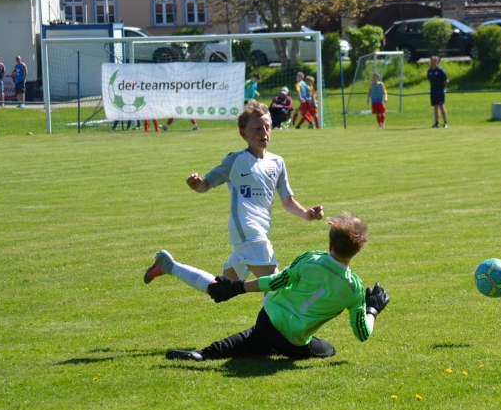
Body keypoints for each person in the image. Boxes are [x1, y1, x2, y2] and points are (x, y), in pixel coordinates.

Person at [152, 213, 389, 362]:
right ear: (358, 250)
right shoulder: (355, 289)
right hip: (293, 342)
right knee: (328, 350)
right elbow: (362, 333)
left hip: (269, 319)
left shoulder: (310, 260)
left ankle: (204, 354)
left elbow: (275, 282)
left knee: (253, 339)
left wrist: (237, 287)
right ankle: (209, 353)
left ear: (329, 243)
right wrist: (373, 309)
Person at [152, 99, 322, 287]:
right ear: (243, 133)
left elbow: (288, 201)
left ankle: (168, 266)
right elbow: (206, 184)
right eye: (257, 128)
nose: (263, 132)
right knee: (276, 286)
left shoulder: (277, 162)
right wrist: (196, 185)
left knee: (221, 289)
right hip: (247, 230)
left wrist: (307, 214)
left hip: (259, 230)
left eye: (267, 127)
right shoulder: (235, 160)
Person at [427, 56, 449, 128]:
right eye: (432, 61)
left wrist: (444, 88)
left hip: (440, 90)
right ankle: (437, 122)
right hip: (433, 90)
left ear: (437, 62)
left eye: (434, 61)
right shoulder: (429, 71)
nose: (433, 62)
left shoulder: (440, 70)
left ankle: (445, 122)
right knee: (435, 106)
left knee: (441, 105)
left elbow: (446, 80)